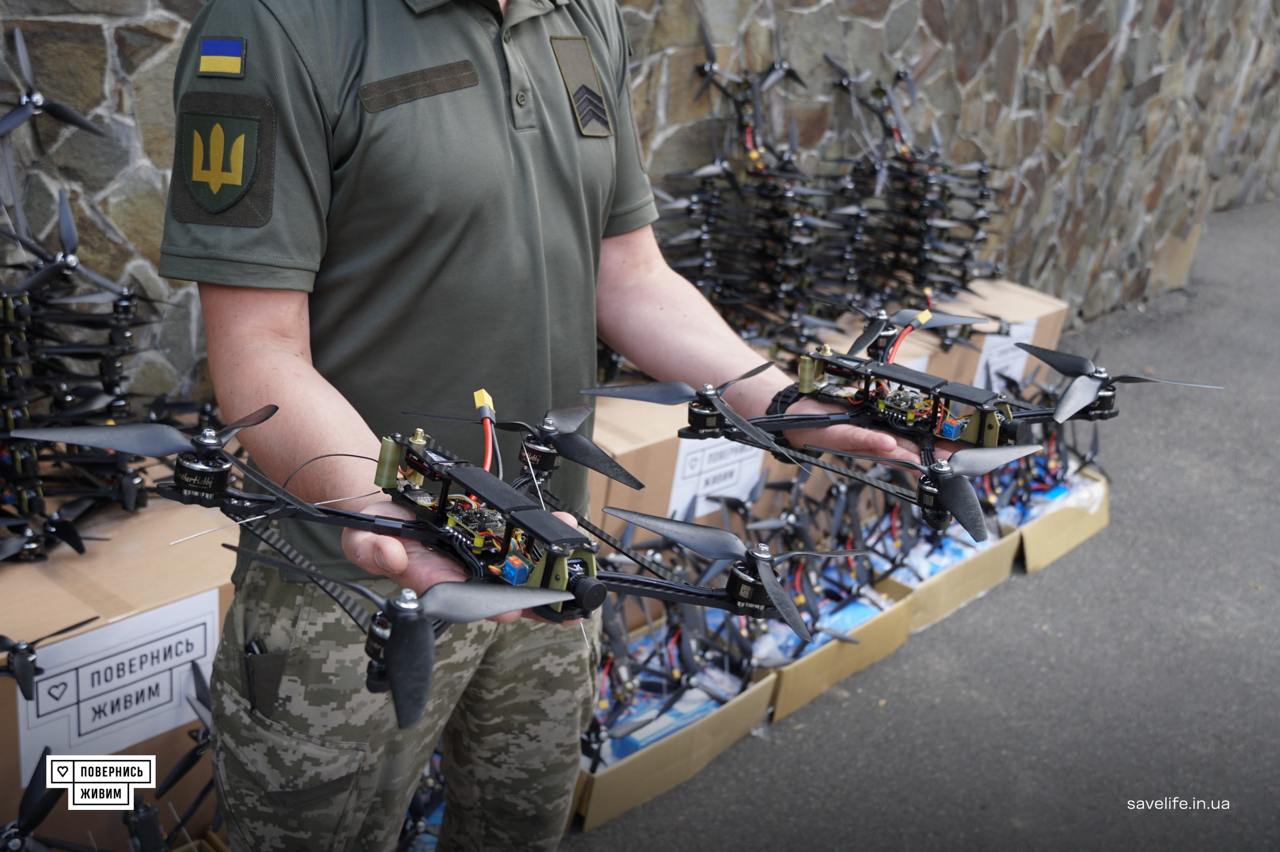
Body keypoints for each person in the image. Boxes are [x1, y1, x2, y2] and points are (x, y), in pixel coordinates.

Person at [158, 0, 907, 849]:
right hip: (352, 593)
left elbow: (626, 273)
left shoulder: (586, 16)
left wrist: (774, 397)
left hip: (548, 555)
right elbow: (257, 352)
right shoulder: (278, 24)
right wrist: (387, 504)